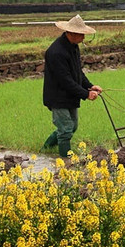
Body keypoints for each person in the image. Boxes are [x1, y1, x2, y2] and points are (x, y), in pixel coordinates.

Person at [42, 14, 103, 157]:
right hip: (58, 95)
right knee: (65, 129)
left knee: (72, 126)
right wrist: (86, 94)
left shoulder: (73, 47)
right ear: (72, 33)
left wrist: (90, 86)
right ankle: (66, 159)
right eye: (81, 35)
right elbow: (65, 80)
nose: (83, 38)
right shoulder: (56, 52)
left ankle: (46, 148)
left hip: (69, 94)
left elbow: (77, 72)